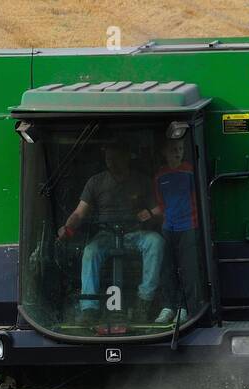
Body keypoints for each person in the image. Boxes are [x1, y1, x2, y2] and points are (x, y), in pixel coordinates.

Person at [57, 144, 163, 320]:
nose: (111, 161)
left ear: (127, 157)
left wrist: (150, 214)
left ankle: (145, 300)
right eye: (108, 157)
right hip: (106, 235)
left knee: (156, 241)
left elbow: (158, 211)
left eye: (115, 157)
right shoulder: (95, 182)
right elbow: (79, 212)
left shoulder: (141, 181)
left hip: (134, 233)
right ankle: (89, 307)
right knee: (90, 252)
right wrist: (67, 228)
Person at [150, 132, 202, 325]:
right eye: (173, 150)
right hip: (168, 227)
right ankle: (168, 306)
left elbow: (198, 199)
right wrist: (150, 213)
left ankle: (186, 307)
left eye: (180, 149)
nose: (177, 153)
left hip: (189, 226)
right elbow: (161, 203)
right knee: (167, 269)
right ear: (164, 152)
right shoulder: (160, 176)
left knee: (188, 270)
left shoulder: (190, 172)